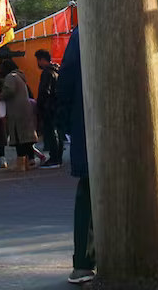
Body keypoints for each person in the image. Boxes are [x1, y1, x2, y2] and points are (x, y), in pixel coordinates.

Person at [57, 27, 94, 285]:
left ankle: (83, 261)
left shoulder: (83, 32)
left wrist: (66, 124)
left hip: (88, 124)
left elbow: (66, 82)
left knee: (89, 192)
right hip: (135, 134)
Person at [0, 58, 38, 170]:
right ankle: (30, 160)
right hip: (25, 110)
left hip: (16, 111)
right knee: (27, 138)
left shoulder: (10, 77)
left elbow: (9, 91)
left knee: (18, 137)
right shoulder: (20, 76)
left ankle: (21, 163)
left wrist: (1, 96)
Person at [35, 49, 63, 168]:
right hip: (57, 106)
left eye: (38, 60)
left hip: (49, 107)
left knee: (51, 132)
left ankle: (54, 158)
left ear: (42, 60)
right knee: (58, 132)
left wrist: (40, 106)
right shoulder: (57, 71)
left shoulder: (46, 73)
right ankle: (58, 157)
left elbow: (44, 91)